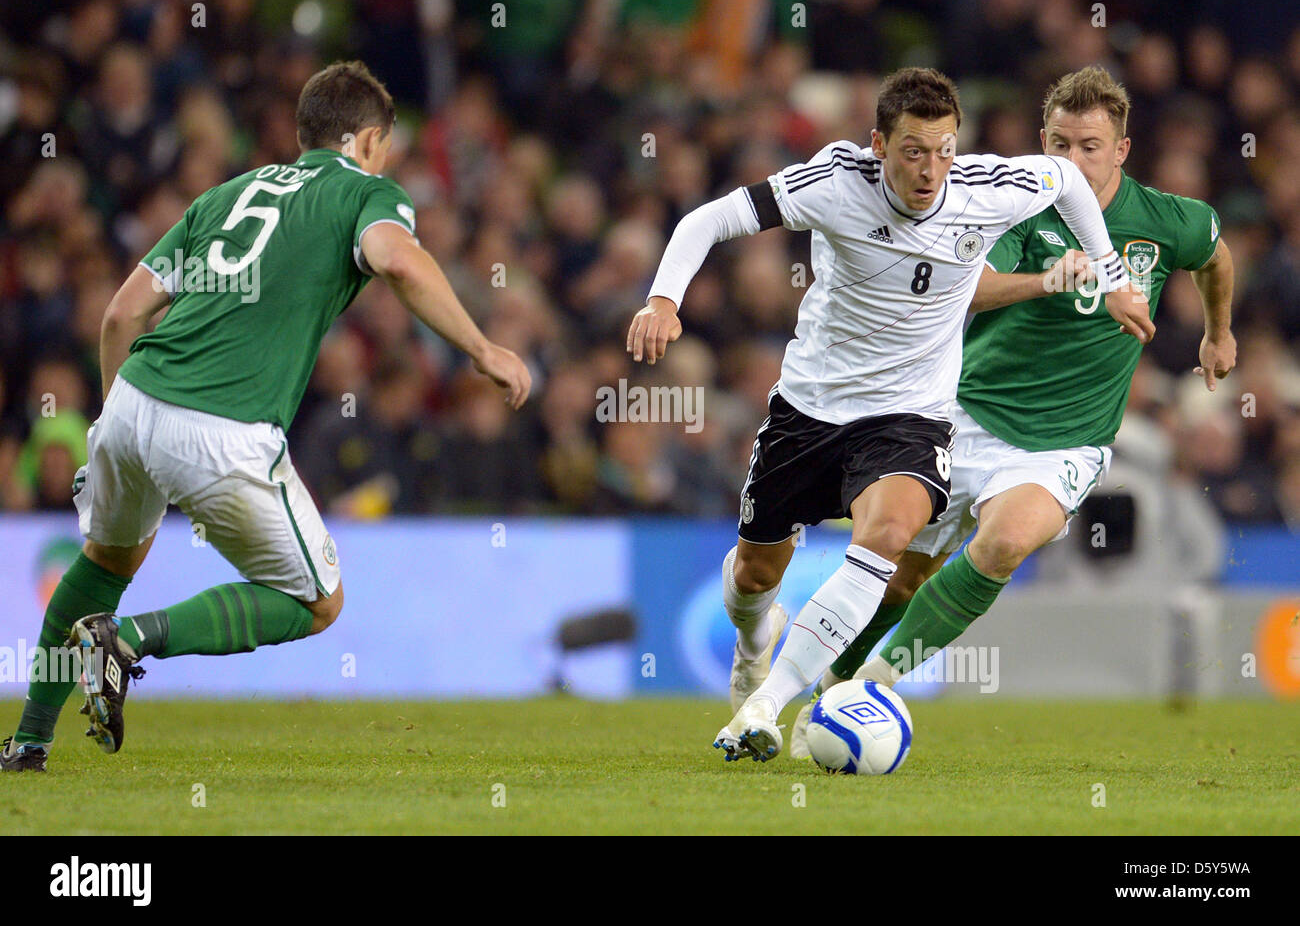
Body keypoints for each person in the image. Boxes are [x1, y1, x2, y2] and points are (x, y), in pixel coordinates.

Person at [1, 61, 531, 772]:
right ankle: (126, 639)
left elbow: (121, 312)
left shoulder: (224, 195)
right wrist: (481, 345)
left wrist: (110, 424)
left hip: (131, 401)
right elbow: (397, 262)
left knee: (102, 564)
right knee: (316, 601)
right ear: (369, 140)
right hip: (221, 425)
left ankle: (27, 742)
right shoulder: (366, 194)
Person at [626, 67, 1151, 763]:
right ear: (878, 144)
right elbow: (709, 218)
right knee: (755, 575)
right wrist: (663, 301)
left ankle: (765, 706)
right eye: (912, 151)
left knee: (889, 534)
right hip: (810, 408)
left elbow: (1071, 185)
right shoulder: (833, 183)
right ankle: (756, 644)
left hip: (912, 415)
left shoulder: (986, 188)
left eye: (943, 150)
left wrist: (1113, 279)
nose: (931, 170)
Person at [789, 65, 1236, 757]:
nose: (1073, 160)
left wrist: (1218, 331)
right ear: (1041, 142)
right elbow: (971, 288)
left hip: (1065, 443)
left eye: (1090, 146)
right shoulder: (1019, 209)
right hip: (963, 416)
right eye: (1060, 144)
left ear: (1121, 150)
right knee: (903, 576)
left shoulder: (1165, 220)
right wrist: (1049, 280)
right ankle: (832, 692)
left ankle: (868, 689)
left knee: (1003, 542)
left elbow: (1214, 255)